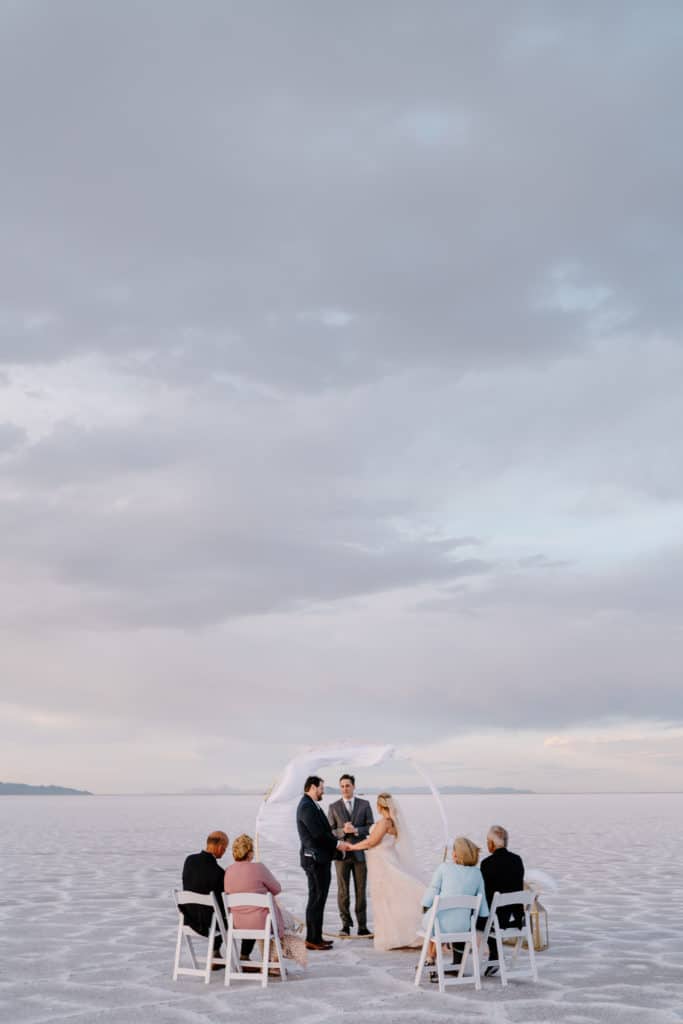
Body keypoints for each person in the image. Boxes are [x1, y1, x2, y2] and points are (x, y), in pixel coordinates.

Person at [351, 792, 423, 951]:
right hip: (386, 860)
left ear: (379, 806)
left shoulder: (385, 822)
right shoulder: (394, 822)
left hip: (383, 864)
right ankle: (397, 935)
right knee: (391, 899)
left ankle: (391, 938)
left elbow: (371, 842)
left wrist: (351, 847)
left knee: (386, 900)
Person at [224, 834, 307, 968]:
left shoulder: (228, 871)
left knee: (267, 917)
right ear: (250, 853)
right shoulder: (258, 868)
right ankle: (274, 962)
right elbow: (277, 889)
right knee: (284, 919)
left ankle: (269, 960)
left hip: (237, 923)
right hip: (261, 922)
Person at [296, 775, 351, 951]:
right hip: (314, 860)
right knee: (316, 899)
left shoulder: (311, 804)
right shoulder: (306, 806)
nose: (323, 791)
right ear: (312, 787)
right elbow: (318, 834)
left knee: (318, 899)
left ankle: (316, 936)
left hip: (319, 859)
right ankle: (312, 939)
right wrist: (337, 844)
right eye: (321, 788)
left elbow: (322, 832)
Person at [421, 836, 489, 966]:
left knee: (432, 918)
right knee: (437, 919)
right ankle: (431, 957)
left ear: (456, 855)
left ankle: (430, 958)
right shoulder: (477, 873)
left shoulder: (444, 868)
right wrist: (484, 915)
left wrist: (425, 904)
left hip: (441, 925)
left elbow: (433, 889)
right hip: (463, 926)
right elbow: (482, 903)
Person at [327, 773, 374, 938]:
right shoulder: (333, 807)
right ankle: (345, 925)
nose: (345, 788)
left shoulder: (364, 804)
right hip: (341, 856)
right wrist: (343, 831)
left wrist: (356, 830)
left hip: (360, 854)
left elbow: (371, 827)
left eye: (347, 785)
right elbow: (330, 831)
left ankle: (362, 927)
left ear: (353, 786)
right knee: (343, 891)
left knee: (361, 891)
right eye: (342, 786)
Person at [479, 825, 525, 975]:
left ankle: (494, 955)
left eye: (487, 841)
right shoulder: (517, 860)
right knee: (491, 912)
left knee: (474, 918)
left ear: (492, 843)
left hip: (496, 919)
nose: (487, 844)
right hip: (515, 916)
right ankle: (494, 955)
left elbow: (484, 894)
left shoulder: (487, 864)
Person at [181, 830, 231, 963]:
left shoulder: (189, 860)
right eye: (225, 849)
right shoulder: (219, 872)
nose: (224, 852)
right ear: (220, 847)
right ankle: (215, 952)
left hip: (188, 918)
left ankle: (215, 954)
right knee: (224, 915)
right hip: (207, 924)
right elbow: (222, 904)